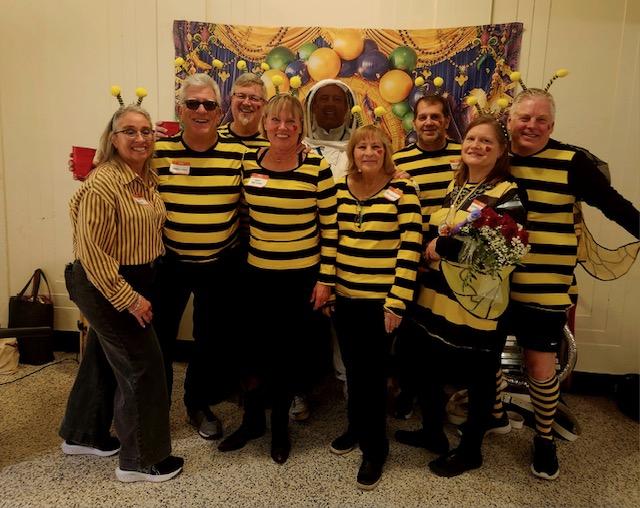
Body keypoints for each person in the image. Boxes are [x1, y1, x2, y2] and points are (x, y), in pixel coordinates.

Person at [505, 88, 640, 480]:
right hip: (492, 282)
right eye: (524, 117)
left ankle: (544, 438)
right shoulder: (495, 155)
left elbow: (613, 204)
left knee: (540, 365)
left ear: (552, 125)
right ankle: (493, 415)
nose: (532, 125)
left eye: (541, 120)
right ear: (509, 120)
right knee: (483, 357)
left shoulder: (572, 162)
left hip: (546, 281)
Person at [397, 115, 527, 478]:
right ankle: (432, 432)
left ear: (501, 151)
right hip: (436, 298)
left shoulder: (508, 193)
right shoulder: (457, 186)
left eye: (487, 142)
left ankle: (471, 451)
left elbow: (505, 250)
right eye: (471, 139)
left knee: (480, 379)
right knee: (425, 368)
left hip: (476, 306)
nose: (476, 146)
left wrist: (442, 248)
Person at [60, 103, 183, 482]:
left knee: (101, 358)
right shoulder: (104, 182)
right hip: (107, 282)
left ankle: (82, 434)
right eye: (129, 131)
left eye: (146, 131)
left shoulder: (144, 178)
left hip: (133, 277)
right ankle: (141, 461)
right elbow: (92, 252)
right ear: (113, 139)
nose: (140, 138)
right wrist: (129, 298)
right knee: (142, 367)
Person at [217, 94, 337, 465]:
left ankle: (281, 431)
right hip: (257, 277)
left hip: (300, 279)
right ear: (264, 123)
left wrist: (326, 280)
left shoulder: (317, 167)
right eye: (275, 120)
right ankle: (252, 422)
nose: (282, 127)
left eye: (291, 121)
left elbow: (331, 229)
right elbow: (239, 212)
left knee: (286, 358)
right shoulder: (248, 162)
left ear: (301, 126)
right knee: (252, 355)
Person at [152, 73, 248, 440]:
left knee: (209, 340)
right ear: (180, 110)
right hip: (169, 264)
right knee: (159, 339)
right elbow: (118, 168)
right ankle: (155, 410)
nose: (201, 110)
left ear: (220, 112)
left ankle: (197, 404)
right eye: (193, 103)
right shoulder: (158, 152)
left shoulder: (238, 155)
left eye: (209, 104)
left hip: (219, 265)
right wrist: (95, 160)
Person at [328, 125, 422, 490]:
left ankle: (375, 448)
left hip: (382, 304)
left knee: (373, 375)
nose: (369, 152)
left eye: (376, 147)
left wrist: (396, 302)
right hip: (345, 299)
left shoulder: (403, 190)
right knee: (353, 371)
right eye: (362, 146)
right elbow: (331, 241)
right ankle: (355, 427)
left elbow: (410, 248)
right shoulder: (340, 188)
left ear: (386, 152)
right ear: (352, 152)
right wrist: (331, 289)